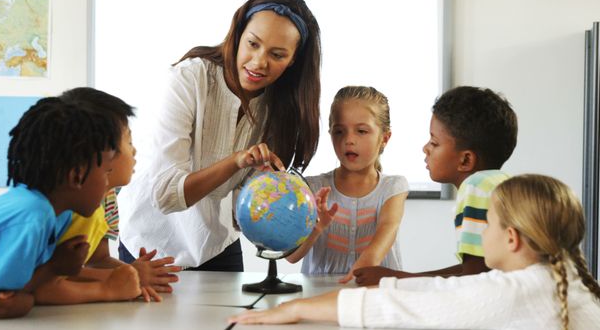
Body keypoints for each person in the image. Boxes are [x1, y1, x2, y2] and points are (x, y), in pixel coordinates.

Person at [229, 174, 600, 328]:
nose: (481, 232)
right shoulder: (567, 279)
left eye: (488, 223)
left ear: (513, 239)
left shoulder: (507, 293)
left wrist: (290, 311)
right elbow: (439, 292)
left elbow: (396, 308)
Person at [117, 0, 322, 271]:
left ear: (293, 60)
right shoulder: (190, 78)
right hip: (151, 243)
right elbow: (166, 195)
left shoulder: (281, 109)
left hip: (214, 243)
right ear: (237, 36)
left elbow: (243, 204)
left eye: (277, 55)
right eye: (253, 44)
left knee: (231, 315)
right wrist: (237, 161)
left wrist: (288, 212)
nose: (259, 62)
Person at [0, 96, 121, 318]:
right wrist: (51, 272)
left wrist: (53, 268)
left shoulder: (54, 212)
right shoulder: (33, 216)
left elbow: (20, 286)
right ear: (76, 176)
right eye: (107, 172)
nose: (107, 183)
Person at [352, 86, 518, 285]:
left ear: (465, 160)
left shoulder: (475, 187)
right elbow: (475, 268)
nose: (426, 148)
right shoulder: (500, 183)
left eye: (434, 142)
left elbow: (474, 280)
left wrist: (397, 279)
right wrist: (402, 276)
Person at [32, 88, 181, 305]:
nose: (135, 151)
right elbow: (48, 275)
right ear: (103, 153)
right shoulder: (71, 203)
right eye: (128, 142)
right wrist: (128, 276)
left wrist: (133, 274)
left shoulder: (107, 195)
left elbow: (97, 259)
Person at [284, 86, 408, 283]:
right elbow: (291, 256)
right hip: (319, 296)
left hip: (374, 296)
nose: (349, 140)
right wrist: (317, 227)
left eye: (361, 131)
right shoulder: (312, 187)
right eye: (339, 131)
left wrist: (356, 277)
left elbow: (386, 231)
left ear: (384, 138)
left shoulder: (393, 187)